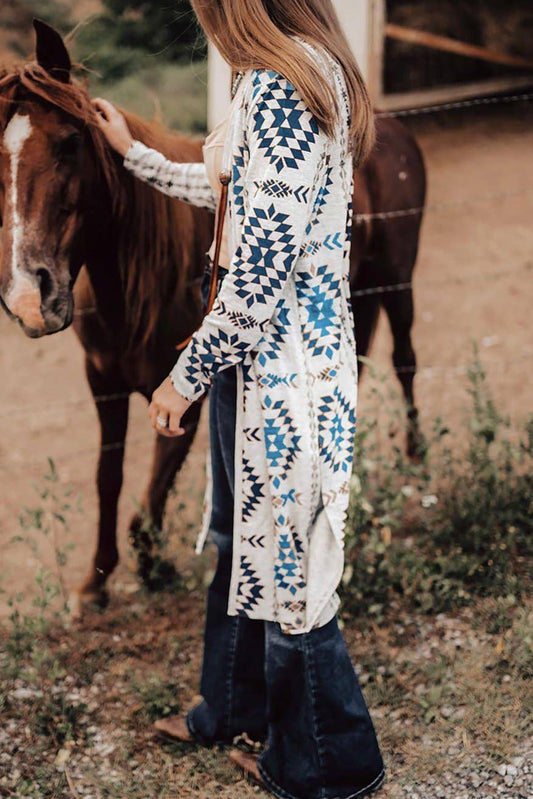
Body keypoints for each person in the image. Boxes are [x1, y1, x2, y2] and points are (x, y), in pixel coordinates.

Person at [93, 1, 385, 796]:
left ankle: (331, 766)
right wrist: (133, 156)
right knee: (247, 539)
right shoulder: (287, 75)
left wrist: (180, 380)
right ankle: (246, 714)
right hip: (261, 365)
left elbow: (257, 278)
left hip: (286, 370)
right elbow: (232, 193)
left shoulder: (282, 87)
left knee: (293, 566)